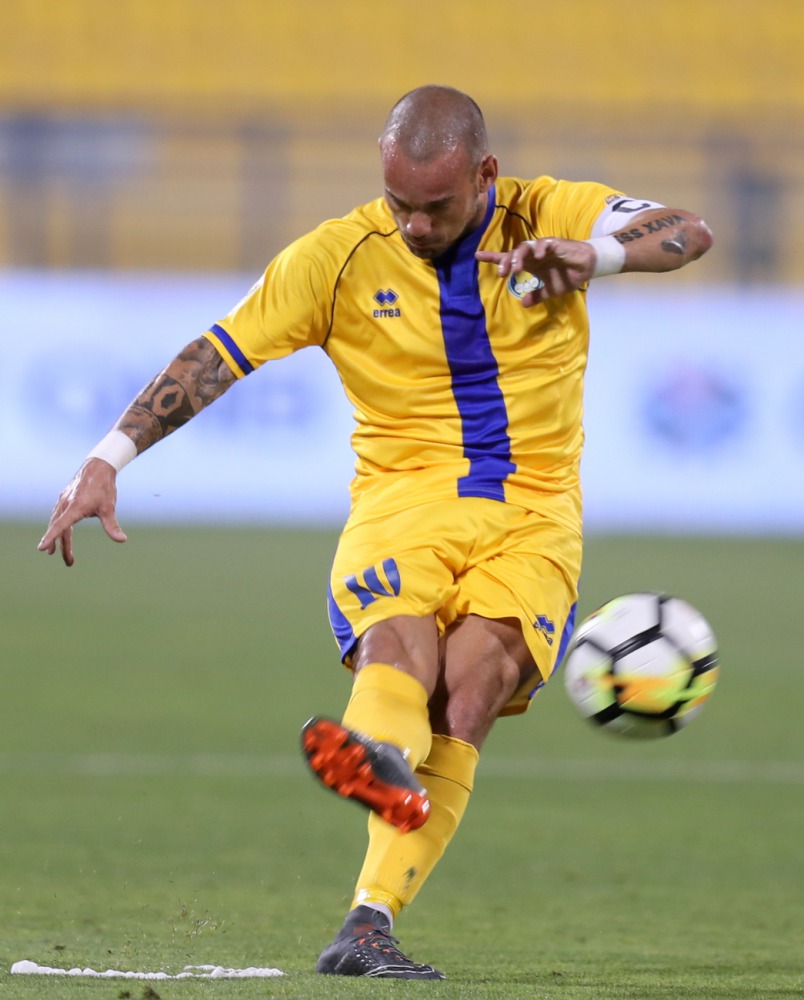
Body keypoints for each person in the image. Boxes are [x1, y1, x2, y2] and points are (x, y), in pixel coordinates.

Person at [39, 85, 713, 980]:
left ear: (486, 174)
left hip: (537, 514)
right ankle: (381, 760)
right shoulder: (337, 255)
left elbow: (686, 232)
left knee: (473, 690)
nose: (414, 224)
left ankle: (368, 921)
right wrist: (107, 457)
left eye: (435, 206)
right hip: (404, 500)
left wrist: (593, 257)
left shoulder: (550, 212)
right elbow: (216, 355)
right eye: (398, 202)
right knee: (401, 650)